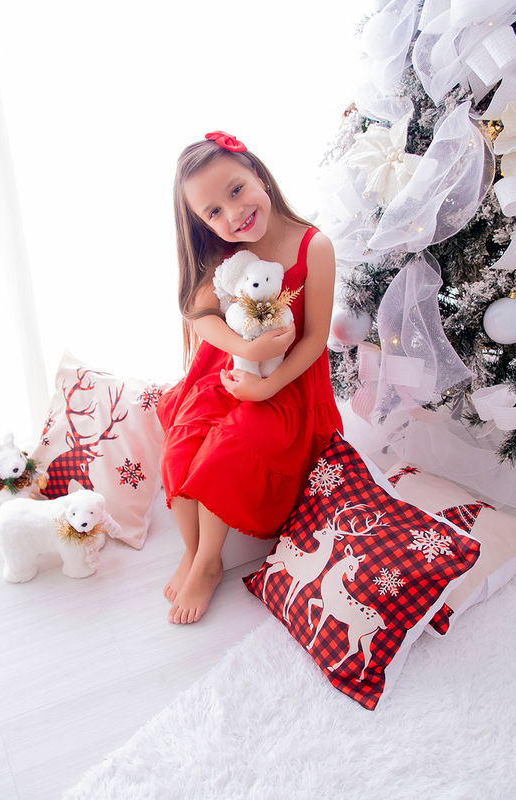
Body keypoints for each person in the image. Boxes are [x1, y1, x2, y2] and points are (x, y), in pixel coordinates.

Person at [157, 131, 343, 624]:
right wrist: (244, 349)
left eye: (236, 190)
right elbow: (201, 315)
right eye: (213, 212)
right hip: (231, 364)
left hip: (288, 381)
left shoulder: (313, 246)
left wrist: (265, 384)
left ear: (257, 173)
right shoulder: (223, 252)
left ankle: (207, 560)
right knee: (183, 438)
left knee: (234, 443)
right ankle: (200, 554)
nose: (232, 214)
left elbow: (314, 341)